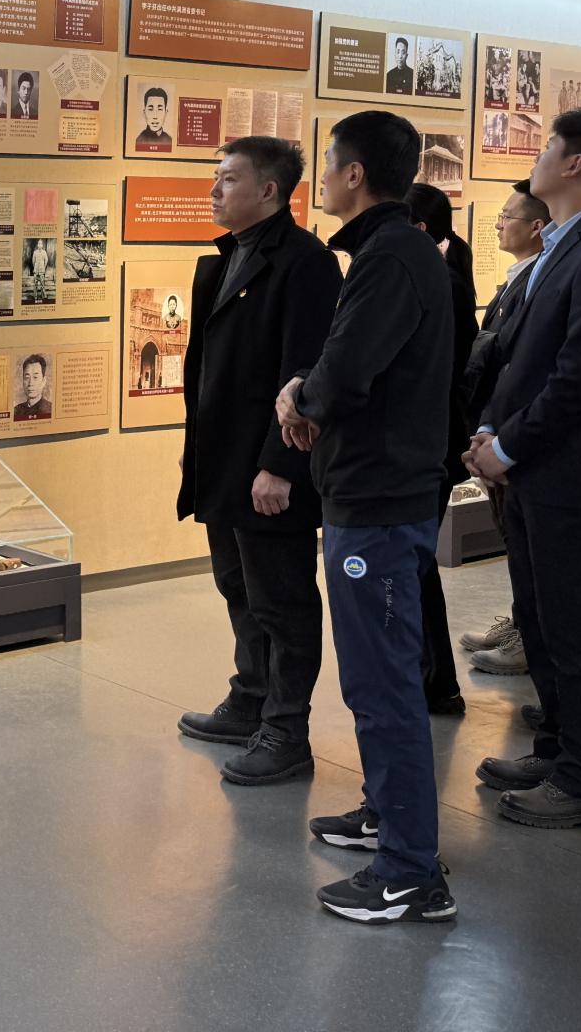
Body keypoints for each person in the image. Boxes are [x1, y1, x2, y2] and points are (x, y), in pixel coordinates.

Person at [278, 110, 455, 924]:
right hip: (375, 492)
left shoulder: (391, 256)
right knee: (378, 677)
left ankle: (410, 873)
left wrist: (300, 398)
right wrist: (311, 391)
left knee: (382, 685)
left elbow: (347, 370)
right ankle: (388, 817)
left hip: (380, 503)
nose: (322, 178)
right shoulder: (394, 251)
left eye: (328, 164)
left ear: (354, 174)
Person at [464, 108, 581, 830]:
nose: (535, 157)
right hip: (536, 470)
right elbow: (522, 358)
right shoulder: (566, 242)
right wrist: (491, 429)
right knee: (541, 624)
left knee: (579, 632)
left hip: (572, 476)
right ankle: (558, 749)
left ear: (575, 164)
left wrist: (508, 447)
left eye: (547, 146)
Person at [176, 136, 341, 786]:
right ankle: (250, 698)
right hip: (224, 462)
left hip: (269, 465)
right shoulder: (227, 258)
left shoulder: (305, 263)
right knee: (237, 586)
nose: (214, 190)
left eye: (228, 179)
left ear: (269, 190)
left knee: (283, 601)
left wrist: (279, 465)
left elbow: (304, 371)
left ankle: (286, 731)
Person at [459, 182, 548, 676]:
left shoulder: (539, 277)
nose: (498, 224)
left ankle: (529, 637)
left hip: (514, 431)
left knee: (525, 545)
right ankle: (519, 622)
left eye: (508, 216)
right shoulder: (516, 279)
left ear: (536, 226)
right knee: (512, 538)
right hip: (495, 423)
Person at [403, 183, 474, 716]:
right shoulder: (440, 275)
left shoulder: (438, 281)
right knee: (414, 564)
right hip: (429, 442)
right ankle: (432, 678)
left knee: (415, 565)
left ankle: (434, 679)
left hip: (426, 445)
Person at [13, 353, 53, 420]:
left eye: (35, 377)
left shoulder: (51, 409)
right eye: (27, 377)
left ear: (43, 381)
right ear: (23, 380)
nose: (30, 383)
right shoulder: (16, 411)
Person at [134, 86, 172, 151]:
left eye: (160, 109)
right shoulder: (138, 141)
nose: (155, 116)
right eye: (150, 109)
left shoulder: (170, 141)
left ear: (166, 113)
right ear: (144, 113)